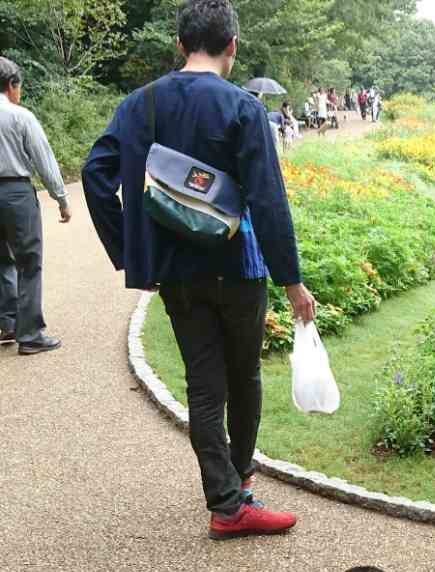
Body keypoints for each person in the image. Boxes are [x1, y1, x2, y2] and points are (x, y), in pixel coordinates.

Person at [82, 0, 316, 540]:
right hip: (239, 266)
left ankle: (226, 499)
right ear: (231, 45)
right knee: (245, 378)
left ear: (180, 44)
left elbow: (96, 174)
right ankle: (235, 494)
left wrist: (131, 249)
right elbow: (268, 201)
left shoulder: (139, 104)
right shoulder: (243, 108)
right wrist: (292, 281)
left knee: (204, 387)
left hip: (176, 273)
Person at [0, 57, 70, 354]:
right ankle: (30, 335)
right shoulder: (21, 116)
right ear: (12, 85)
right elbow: (44, 160)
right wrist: (61, 199)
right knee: (29, 261)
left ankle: (8, 323)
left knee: (1, 259)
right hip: (15, 192)